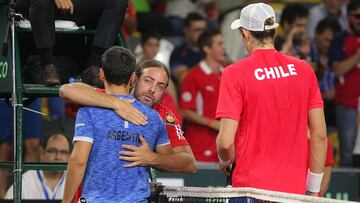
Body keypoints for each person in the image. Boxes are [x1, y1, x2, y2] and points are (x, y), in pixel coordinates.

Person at [216, 2, 327, 198]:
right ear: (273, 31)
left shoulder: (234, 74)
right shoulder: (304, 70)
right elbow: (319, 136)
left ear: (246, 33)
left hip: (250, 189)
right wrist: (312, 189)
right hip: (294, 192)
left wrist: (226, 159)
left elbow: (225, 143)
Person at [61, 47, 173, 203]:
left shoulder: (89, 110)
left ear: (101, 74)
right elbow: (169, 159)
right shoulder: (154, 118)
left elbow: (79, 161)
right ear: (133, 77)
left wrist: (65, 201)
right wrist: (152, 157)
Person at [59, 59, 196, 173]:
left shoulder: (163, 115)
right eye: (148, 81)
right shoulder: (105, 97)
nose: (152, 90)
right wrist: (118, 104)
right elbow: (66, 90)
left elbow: (190, 164)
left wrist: (151, 158)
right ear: (134, 79)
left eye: (160, 86)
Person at [15, 0, 129, 85]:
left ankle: (92, 68)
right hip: (35, 4)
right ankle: (48, 67)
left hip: (73, 5)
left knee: (118, 2)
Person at [179, 29, 225, 162]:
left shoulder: (228, 74)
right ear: (207, 48)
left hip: (224, 145)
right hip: (200, 144)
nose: (224, 48)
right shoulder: (193, 76)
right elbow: (185, 111)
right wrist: (212, 123)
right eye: (219, 44)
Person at [328, 0, 360, 167]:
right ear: (348, 17)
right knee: (347, 153)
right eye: (357, 16)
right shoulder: (340, 40)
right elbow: (337, 69)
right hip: (347, 104)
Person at [4, 133, 70, 200]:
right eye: (52, 151)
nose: (58, 157)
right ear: (42, 153)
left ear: (70, 156)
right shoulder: (24, 182)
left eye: (64, 152)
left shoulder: (75, 180)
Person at [0, 99, 43, 198]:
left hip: (30, 92)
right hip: (3, 94)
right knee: (3, 147)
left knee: (33, 143)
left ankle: (29, 195)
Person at [169, 12, 207, 83]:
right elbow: (183, 78)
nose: (202, 34)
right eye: (197, 30)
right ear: (186, 31)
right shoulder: (177, 53)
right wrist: (209, 62)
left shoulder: (212, 49)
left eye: (204, 30)